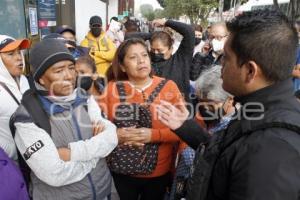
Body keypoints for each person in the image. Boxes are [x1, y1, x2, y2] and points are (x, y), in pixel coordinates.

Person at [157, 9, 300, 200]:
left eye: (226, 57)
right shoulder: (258, 110)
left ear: (250, 71)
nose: (220, 64)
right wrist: (190, 130)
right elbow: (230, 156)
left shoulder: (270, 148)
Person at [11, 39, 118, 199]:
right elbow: (54, 173)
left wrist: (72, 152)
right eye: (59, 70)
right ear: (41, 78)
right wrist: (96, 155)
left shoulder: (84, 98)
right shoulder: (27, 116)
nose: (69, 76)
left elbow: (112, 136)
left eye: (71, 68)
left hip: (104, 190)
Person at [101, 38, 186, 200]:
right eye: (133, 58)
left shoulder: (169, 87)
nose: (141, 61)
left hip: (158, 172)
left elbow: (184, 131)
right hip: (121, 171)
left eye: (144, 55)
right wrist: (116, 134)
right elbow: (97, 127)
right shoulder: (111, 88)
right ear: (123, 66)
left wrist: (153, 135)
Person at [150, 18, 195, 104]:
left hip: (180, 111)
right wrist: (152, 35)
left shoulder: (181, 60)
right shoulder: (148, 63)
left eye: (160, 50)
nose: (155, 53)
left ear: (171, 49)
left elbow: (189, 32)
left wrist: (166, 22)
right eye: (153, 50)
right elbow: (130, 37)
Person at [0, 35, 30, 160]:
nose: (19, 57)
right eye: (11, 54)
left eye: (19, 52)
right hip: (12, 164)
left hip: (34, 156)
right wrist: (14, 153)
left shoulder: (24, 80)